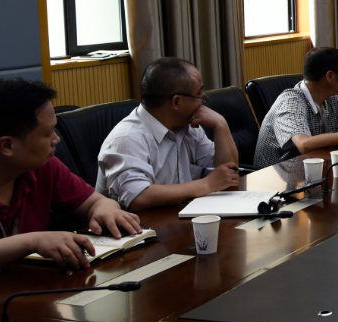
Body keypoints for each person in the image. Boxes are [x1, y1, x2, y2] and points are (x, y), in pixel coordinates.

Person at [0, 79, 142, 279]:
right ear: (7, 146)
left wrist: (106, 210)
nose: (56, 139)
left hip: (28, 288)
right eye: (48, 133)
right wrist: (32, 242)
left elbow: (97, 202)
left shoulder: (42, 165)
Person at [96, 58, 240, 211]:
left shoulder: (188, 127)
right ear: (176, 102)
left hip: (181, 216)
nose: (203, 101)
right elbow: (138, 197)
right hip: (143, 224)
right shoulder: (127, 138)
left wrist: (221, 125)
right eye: (199, 95)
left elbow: (227, 173)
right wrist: (207, 184)